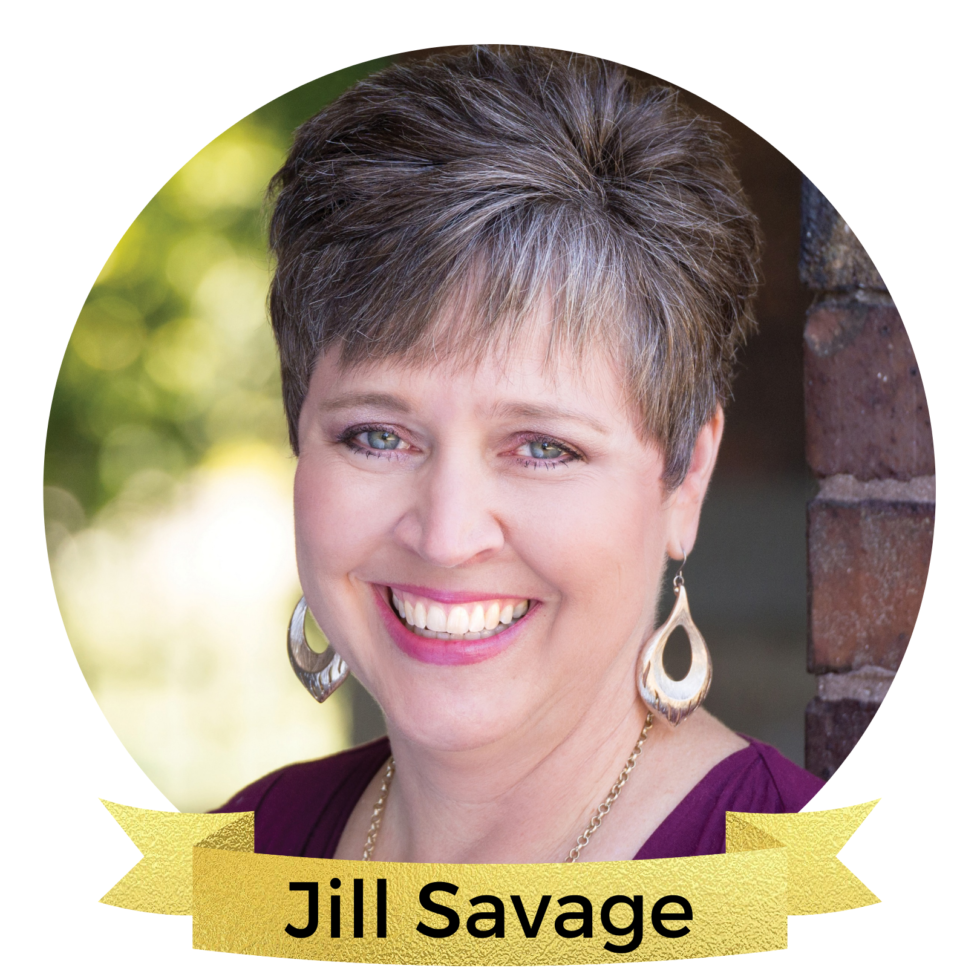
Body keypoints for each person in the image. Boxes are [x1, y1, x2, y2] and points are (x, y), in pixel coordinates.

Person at [215, 46, 823, 862]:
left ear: (685, 477)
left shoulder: (804, 887)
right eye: (377, 436)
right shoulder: (247, 847)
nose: (446, 537)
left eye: (542, 447)